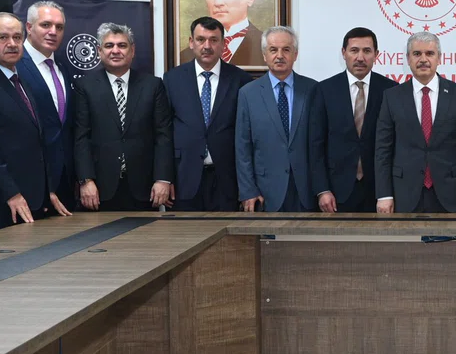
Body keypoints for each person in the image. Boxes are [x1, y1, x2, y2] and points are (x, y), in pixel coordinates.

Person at [0, 12, 71, 234]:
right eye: (3, 37)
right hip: (4, 202)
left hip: (34, 198)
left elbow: (36, 140)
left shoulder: (20, 78)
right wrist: (11, 193)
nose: (12, 44)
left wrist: (47, 190)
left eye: (17, 37)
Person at [375, 31, 456, 214]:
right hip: (404, 193)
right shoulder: (392, 97)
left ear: (439, 58)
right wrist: (384, 195)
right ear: (408, 59)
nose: (423, 59)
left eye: (429, 53)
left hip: (450, 192)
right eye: (417, 54)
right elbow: (383, 149)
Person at [74, 23, 174, 212]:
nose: (115, 51)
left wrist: (163, 179)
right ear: (99, 51)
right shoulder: (85, 86)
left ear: (132, 50)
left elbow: (163, 135)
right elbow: (81, 137)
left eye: (122, 45)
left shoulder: (152, 85)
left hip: (144, 188)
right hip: (99, 189)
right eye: (109, 45)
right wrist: (85, 180)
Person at [164, 17, 249, 211]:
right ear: (191, 42)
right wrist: (165, 178)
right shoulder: (172, 79)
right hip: (183, 179)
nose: (207, 46)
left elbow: (246, 135)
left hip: (227, 181)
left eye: (214, 40)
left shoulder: (240, 80)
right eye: (201, 39)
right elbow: (164, 133)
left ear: (223, 44)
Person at [309, 27, 397, 212]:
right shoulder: (324, 90)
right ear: (344, 53)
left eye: (367, 51)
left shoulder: (391, 91)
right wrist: (322, 190)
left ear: (376, 55)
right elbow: (316, 145)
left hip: (379, 192)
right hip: (336, 192)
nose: (360, 57)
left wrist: (388, 192)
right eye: (354, 50)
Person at [236, 26, 316, 212]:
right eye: (273, 50)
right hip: (264, 192)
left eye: (286, 49)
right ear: (264, 55)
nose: (280, 55)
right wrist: (248, 190)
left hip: (306, 190)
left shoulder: (313, 89)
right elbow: (242, 147)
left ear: (295, 54)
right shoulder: (248, 93)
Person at [16, 0, 75, 212]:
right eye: (46, 25)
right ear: (29, 27)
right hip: (30, 183)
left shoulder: (62, 69)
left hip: (65, 180)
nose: (53, 32)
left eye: (59, 27)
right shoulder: (14, 66)